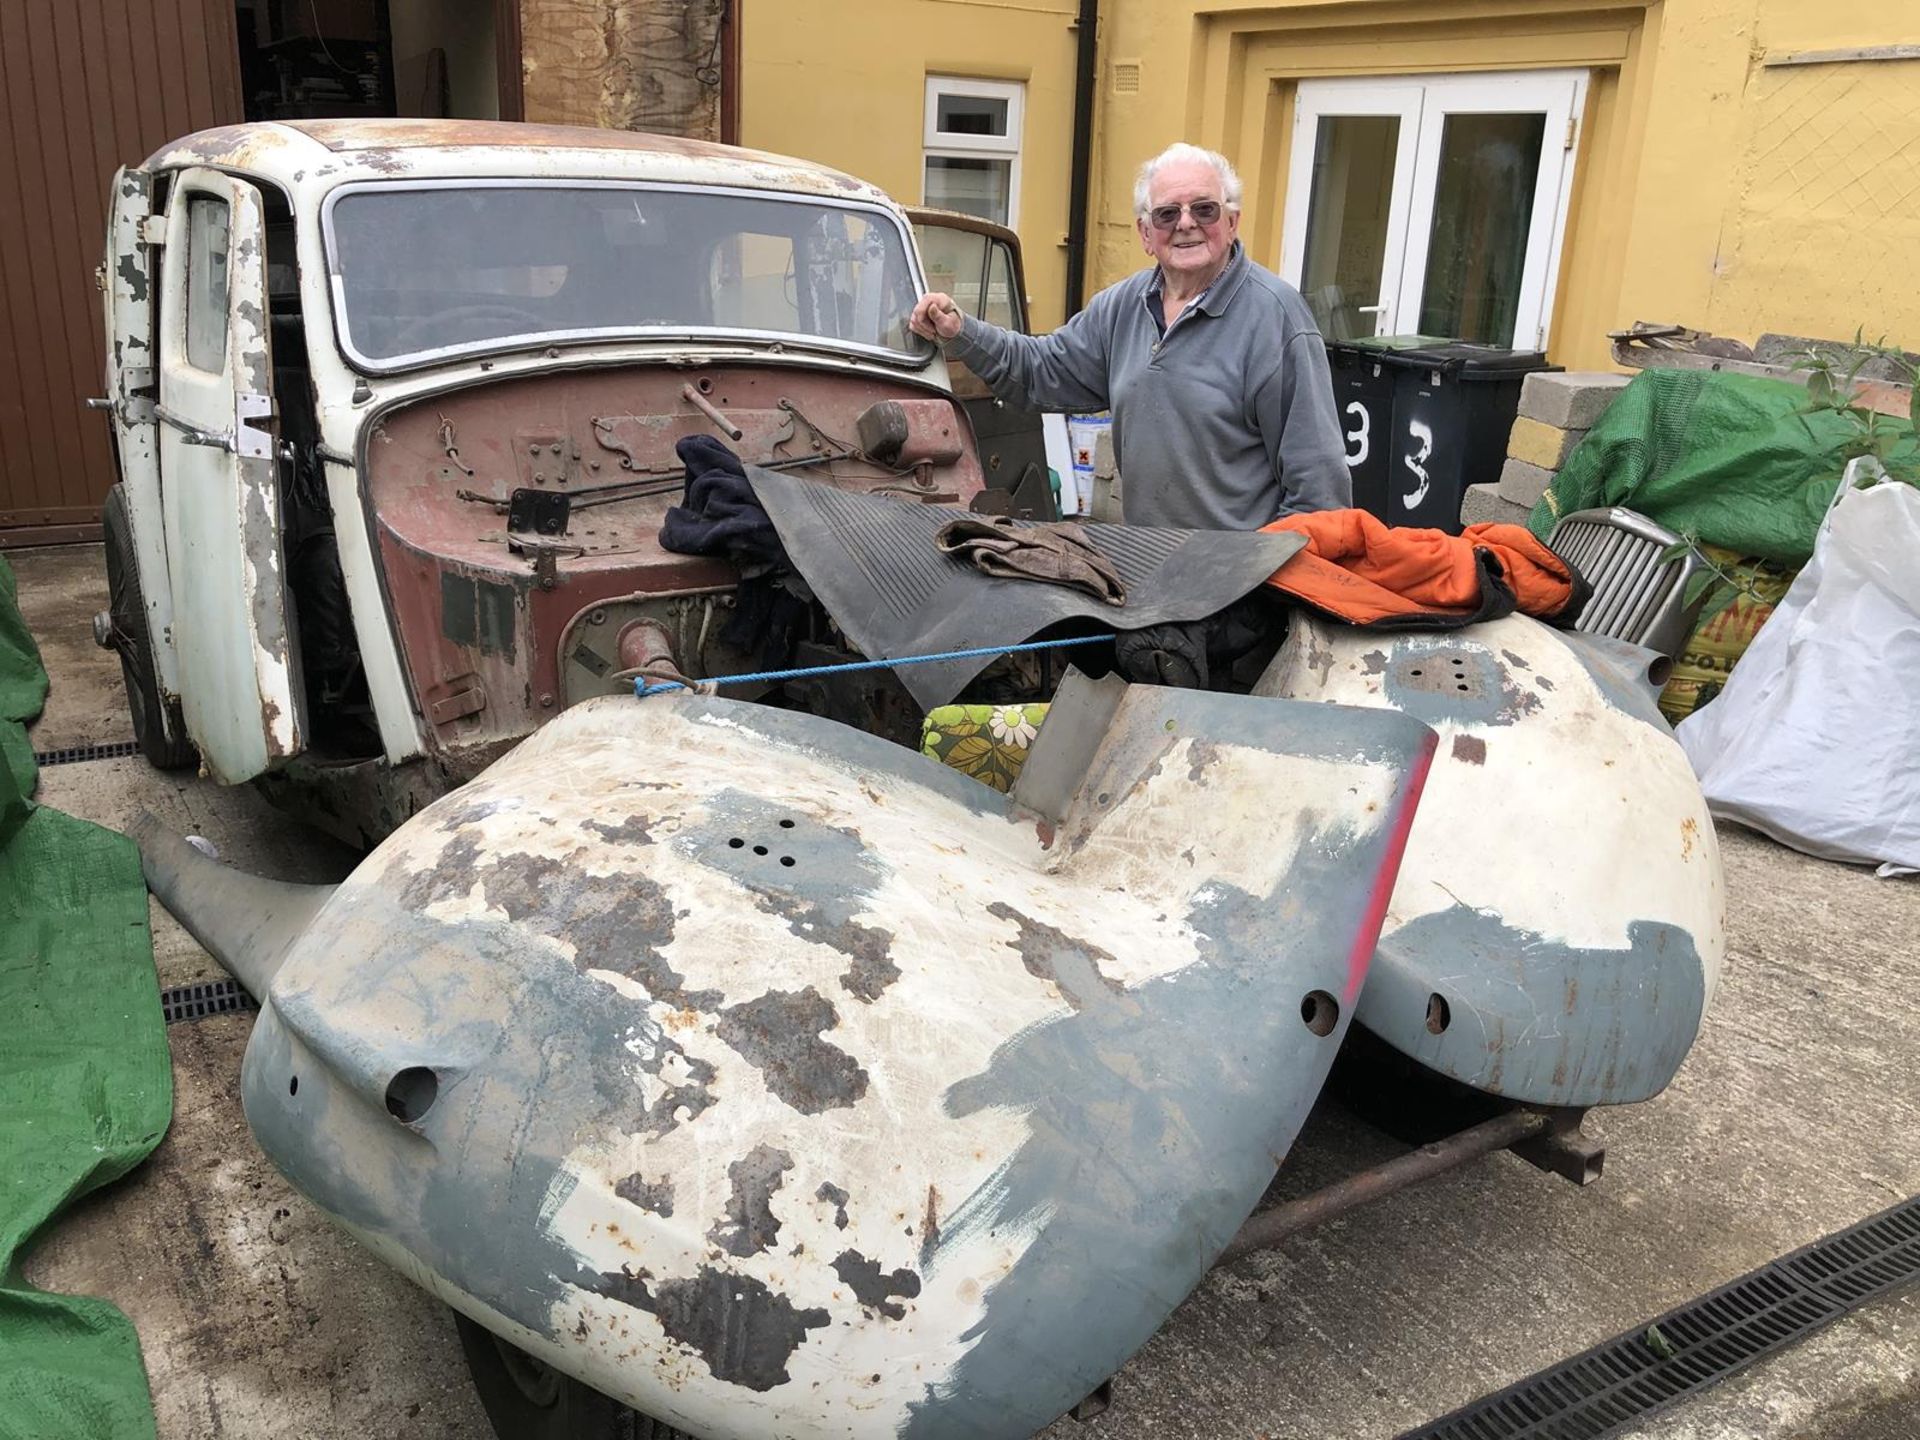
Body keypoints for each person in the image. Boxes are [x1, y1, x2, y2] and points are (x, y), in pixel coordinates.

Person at [908, 142, 1351, 530]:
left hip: (1238, 592)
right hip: (1150, 569)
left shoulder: (1276, 318)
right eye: (1167, 213)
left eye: (1205, 209)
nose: (1186, 223)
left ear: (1232, 222)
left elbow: (1319, 488)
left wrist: (1269, 594)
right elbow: (1040, 371)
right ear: (1145, 233)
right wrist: (960, 331)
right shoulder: (1122, 307)